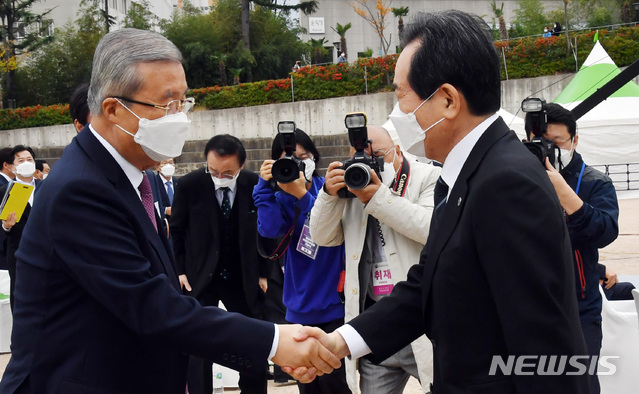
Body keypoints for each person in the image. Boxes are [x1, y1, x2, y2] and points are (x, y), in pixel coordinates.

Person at [0, 28, 339, 394]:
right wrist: (274, 342)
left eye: (183, 102)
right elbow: (151, 307)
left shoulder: (122, 176)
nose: (179, 118)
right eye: (167, 104)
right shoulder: (81, 189)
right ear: (114, 109)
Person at [293, 10, 590, 393]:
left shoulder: (506, 183)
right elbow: (426, 285)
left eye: (401, 96)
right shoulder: (462, 175)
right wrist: (341, 341)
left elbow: (545, 342)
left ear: (448, 100)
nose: (397, 114)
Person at [309, 124, 438, 393]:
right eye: (361, 156)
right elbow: (321, 237)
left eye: (377, 154)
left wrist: (376, 196)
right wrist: (329, 196)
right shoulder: (350, 188)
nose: (369, 163)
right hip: (376, 322)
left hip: (423, 322)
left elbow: (429, 229)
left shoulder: (428, 177)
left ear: (398, 151)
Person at [525, 102, 619, 394]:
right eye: (539, 143)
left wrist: (564, 193)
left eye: (556, 142)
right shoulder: (516, 180)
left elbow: (605, 231)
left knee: (582, 385)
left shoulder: (594, 182)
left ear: (574, 140)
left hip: (580, 309)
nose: (548, 150)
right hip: (530, 307)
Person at [170, 134, 271, 394]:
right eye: (213, 170)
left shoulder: (254, 184)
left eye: (227, 173)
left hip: (243, 274)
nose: (219, 177)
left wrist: (264, 272)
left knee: (252, 341)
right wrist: (179, 270)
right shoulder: (190, 185)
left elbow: (266, 231)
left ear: (241, 165)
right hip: (200, 275)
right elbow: (177, 231)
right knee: (198, 345)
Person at [253, 128, 351, 394]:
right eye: (290, 158)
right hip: (299, 306)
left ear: (314, 157)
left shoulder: (329, 190)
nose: (298, 163)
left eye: (304, 156)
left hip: (334, 303)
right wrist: (264, 186)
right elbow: (269, 230)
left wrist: (302, 196)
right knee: (308, 384)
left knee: (336, 383)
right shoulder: (277, 198)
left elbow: (330, 228)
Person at [0, 145, 40, 311]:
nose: (26, 163)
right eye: (21, 160)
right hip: (18, 252)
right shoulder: (3, 192)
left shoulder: (47, 186)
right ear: (11, 166)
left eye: (29, 159)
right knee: (20, 297)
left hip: (46, 251)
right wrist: (6, 226)